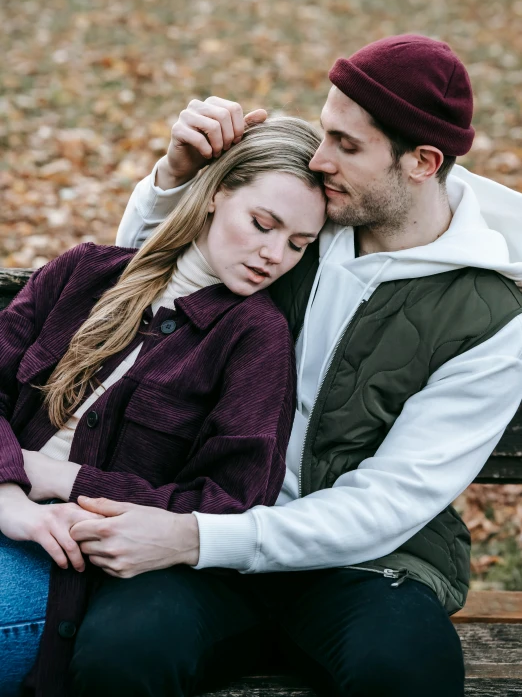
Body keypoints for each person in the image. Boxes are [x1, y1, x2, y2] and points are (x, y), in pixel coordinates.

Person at [69, 34, 522, 697]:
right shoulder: (298, 221)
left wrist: (194, 538)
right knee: (119, 654)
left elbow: (390, 502)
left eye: (346, 144)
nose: (319, 158)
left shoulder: (490, 312)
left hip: (365, 565)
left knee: (409, 673)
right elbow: (148, 301)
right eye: (322, 131)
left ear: (423, 161)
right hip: (207, 519)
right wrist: (171, 177)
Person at [0, 118, 326, 697]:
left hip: (61, 565)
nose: (273, 254)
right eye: (262, 224)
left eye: (298, 245)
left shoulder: (255, 340)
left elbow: (226, 504)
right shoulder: (85, 272)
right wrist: (7, 492)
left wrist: (65, 479)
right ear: (214, 194)